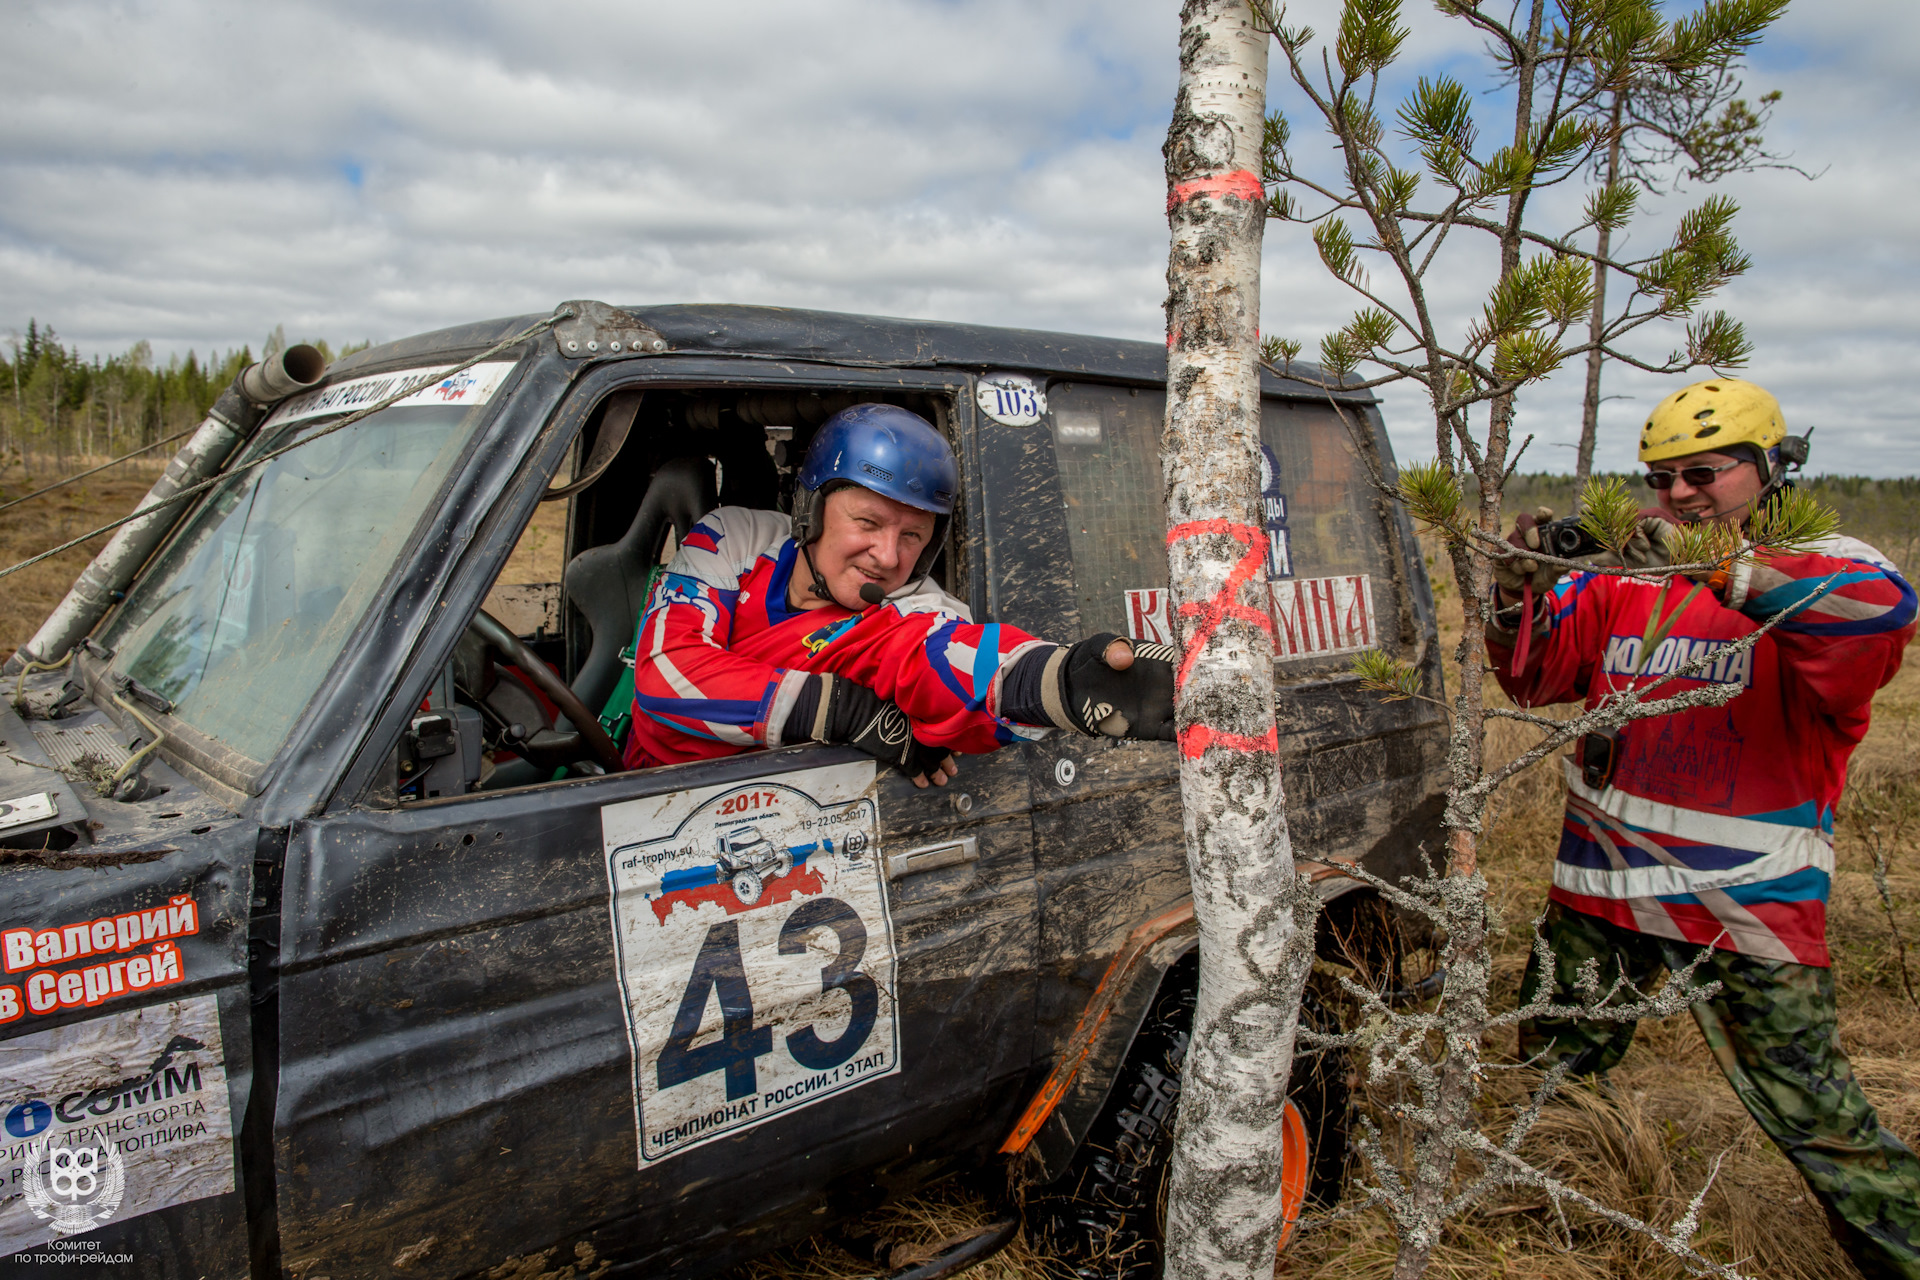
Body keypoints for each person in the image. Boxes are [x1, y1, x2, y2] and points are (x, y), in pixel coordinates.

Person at [1487, 377, 1920, 1279]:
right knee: (1550, 1089)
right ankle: (1544, 1231)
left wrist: (1723, 568)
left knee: (1821, 1124)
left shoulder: (1833, 565)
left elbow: (1876, 621)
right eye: (1660, 478)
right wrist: (1512, 594)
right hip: (1598, 891)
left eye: (1703, 473)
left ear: (1770, 469)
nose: (1678, 493)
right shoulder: (1629, 581)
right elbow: (1535, 678)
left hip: (1746, 906)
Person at [623, 402, 1178, 781]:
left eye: (912, 535)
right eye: (867, 522)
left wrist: (1056, 682)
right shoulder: (736, 537)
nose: (888, 557)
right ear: (810, 510)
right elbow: (666, 678)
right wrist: (840, 711)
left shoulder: (911, 610)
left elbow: (943, 657)